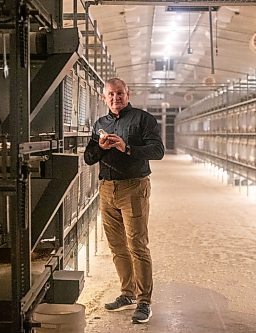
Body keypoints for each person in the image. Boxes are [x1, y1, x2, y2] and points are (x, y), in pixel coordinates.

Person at [84, 78, 164, 324]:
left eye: (119, 93)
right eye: (110, 94)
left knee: (137, 245)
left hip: (134, 187)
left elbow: (157, 151)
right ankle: (127, 293)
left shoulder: (143, 119)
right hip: (107, 189)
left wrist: (127, 148)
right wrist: (100, 146)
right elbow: (88, 158)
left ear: (128, 94)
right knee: (117, 246)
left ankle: (144, 302)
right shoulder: (101, 124)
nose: (115, 98)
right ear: (103, 97)